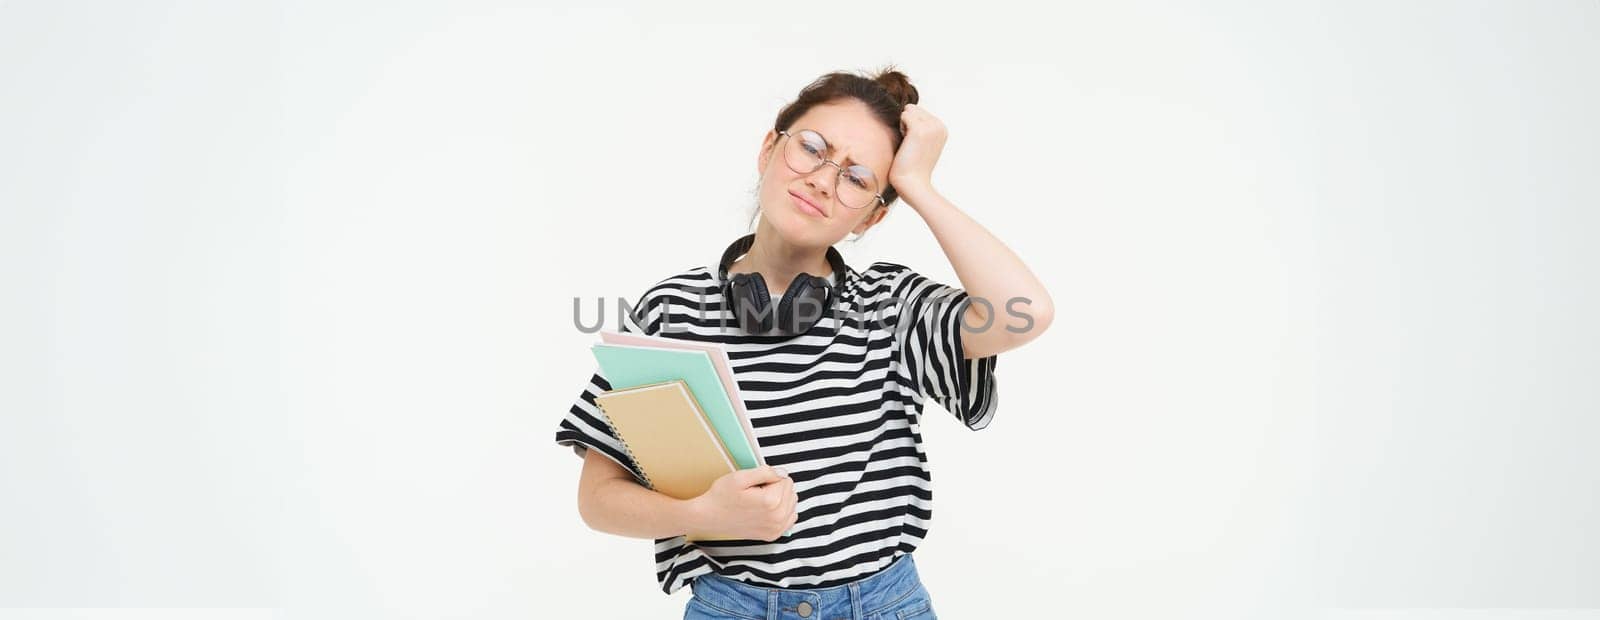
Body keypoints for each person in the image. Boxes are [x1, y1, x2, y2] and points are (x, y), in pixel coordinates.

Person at [555, 66, 1054, 619]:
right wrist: (705, 514)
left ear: (875, 215)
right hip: (731, 607)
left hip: (884, 605)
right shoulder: (669, 312)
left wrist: (918, 184)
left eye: (858, 179)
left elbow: (1026, 313)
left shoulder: (891, 306)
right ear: (769, 148)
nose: (823, 179)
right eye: (812, 148)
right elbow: (597, 499)